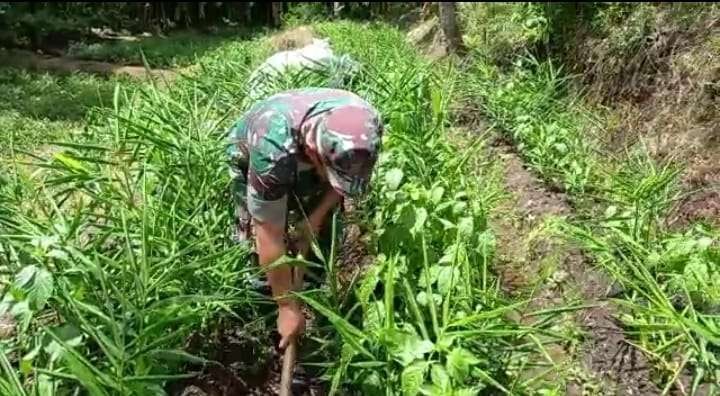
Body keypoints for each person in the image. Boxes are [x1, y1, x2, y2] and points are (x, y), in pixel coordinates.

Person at [226, 87, 383, 349]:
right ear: (313, 153)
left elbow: (343, 184)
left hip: (304, 155)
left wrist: (314, 218)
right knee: (257, 246)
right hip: (250, 155)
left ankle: (309, 297)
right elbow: (268, 232)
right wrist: (286, 306)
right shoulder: (271, 151)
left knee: (321, 235)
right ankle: (265, 318)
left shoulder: (366, 129)